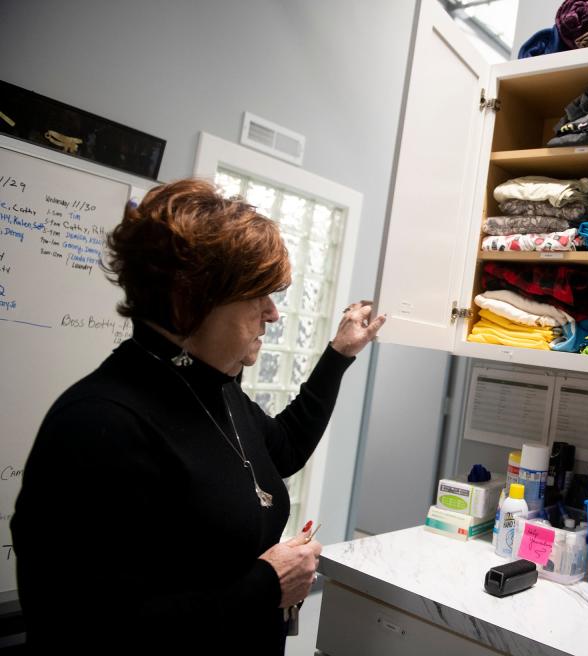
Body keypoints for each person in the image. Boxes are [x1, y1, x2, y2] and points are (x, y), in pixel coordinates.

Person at [11, 179, 385, 654]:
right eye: (258, 295)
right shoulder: (98, 427)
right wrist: (269, 584)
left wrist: (338, 355)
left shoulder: (214, 387)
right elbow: (90, 630)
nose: (273, 314)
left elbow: (283, 450)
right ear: (190, 302)